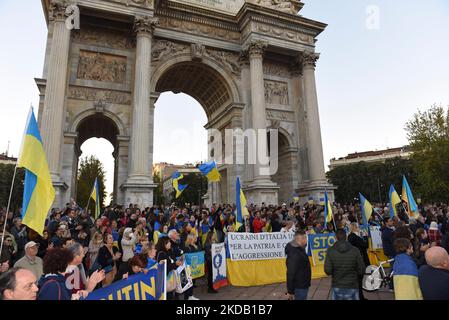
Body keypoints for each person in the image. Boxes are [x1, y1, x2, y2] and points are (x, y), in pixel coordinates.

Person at [324, 229, 364, 300]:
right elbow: (361, 269)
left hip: (337, 285)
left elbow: (328, 271)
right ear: (346, 237)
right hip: (352, 285)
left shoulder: (330, 251)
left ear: (335, 238)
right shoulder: (355, 250)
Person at [285, 230, 311, 300]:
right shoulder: (294, 253)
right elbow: (290, 273)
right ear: (301, 239)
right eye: (305, 238)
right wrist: (290, 291)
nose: (306, 240)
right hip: (299, 286)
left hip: (302, 284)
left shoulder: (299, 249)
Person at [347, 222, 369, 300]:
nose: (359, 228)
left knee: (357, 280)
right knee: (359, 281)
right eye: (358, 227)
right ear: (355, 228)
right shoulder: (355, 237)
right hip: (359, 260)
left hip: (355, 260)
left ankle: (358, 296)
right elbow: (366, 245)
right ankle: (359, 297)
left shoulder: (350, 236)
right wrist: (366, 237)